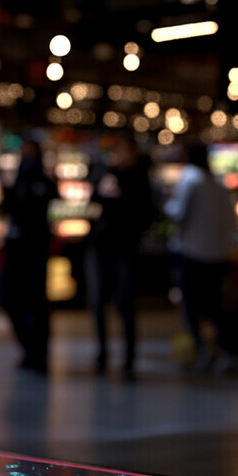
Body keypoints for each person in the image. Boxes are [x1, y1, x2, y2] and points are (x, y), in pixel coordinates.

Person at [84, 131, 153, 380]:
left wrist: (120, 196)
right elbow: (92, 202)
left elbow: (144, 214)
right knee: (98, 303)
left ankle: (128, 360)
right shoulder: (105, 173)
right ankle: (102, 354)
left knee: (125, 304)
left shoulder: (138, 179)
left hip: (124, 249)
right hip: (100, 246)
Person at [164, 141, 236, 373]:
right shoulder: (218, 184)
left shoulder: (190, 179)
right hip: (219, 253)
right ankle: (224, 350)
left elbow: (178, 212)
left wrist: (165, 203)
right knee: (214, 304)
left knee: (192, 306)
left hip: (192, 253)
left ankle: (201, 349)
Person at [0, 139, 58, 373]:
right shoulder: (20, 180)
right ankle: (31, 350)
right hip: (18, 250)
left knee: (35, 304)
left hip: (34, 252)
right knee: (11, 299)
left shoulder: (40, 182)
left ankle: (37, 353)